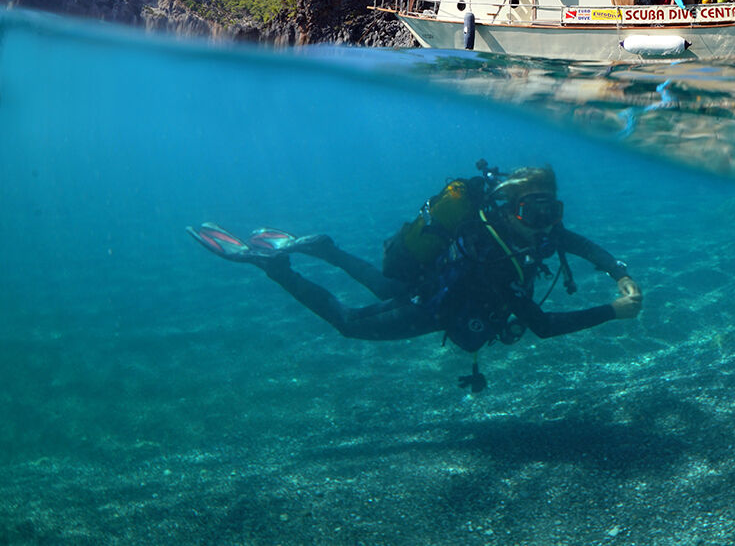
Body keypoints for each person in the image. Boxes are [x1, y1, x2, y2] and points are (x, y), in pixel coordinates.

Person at [187, 163, 643, 392]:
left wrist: (618, 271)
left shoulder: (530, 231)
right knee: (349, 323)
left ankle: (326, 249)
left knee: (386, 287)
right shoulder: (494, 255)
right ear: (510, 209)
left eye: (551, 210)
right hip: (435, 305)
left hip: (431, 282)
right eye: (533, 212)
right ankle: (276, 268)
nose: (545, 223)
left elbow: (574, 242)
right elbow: (542, 325)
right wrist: (613, 311)